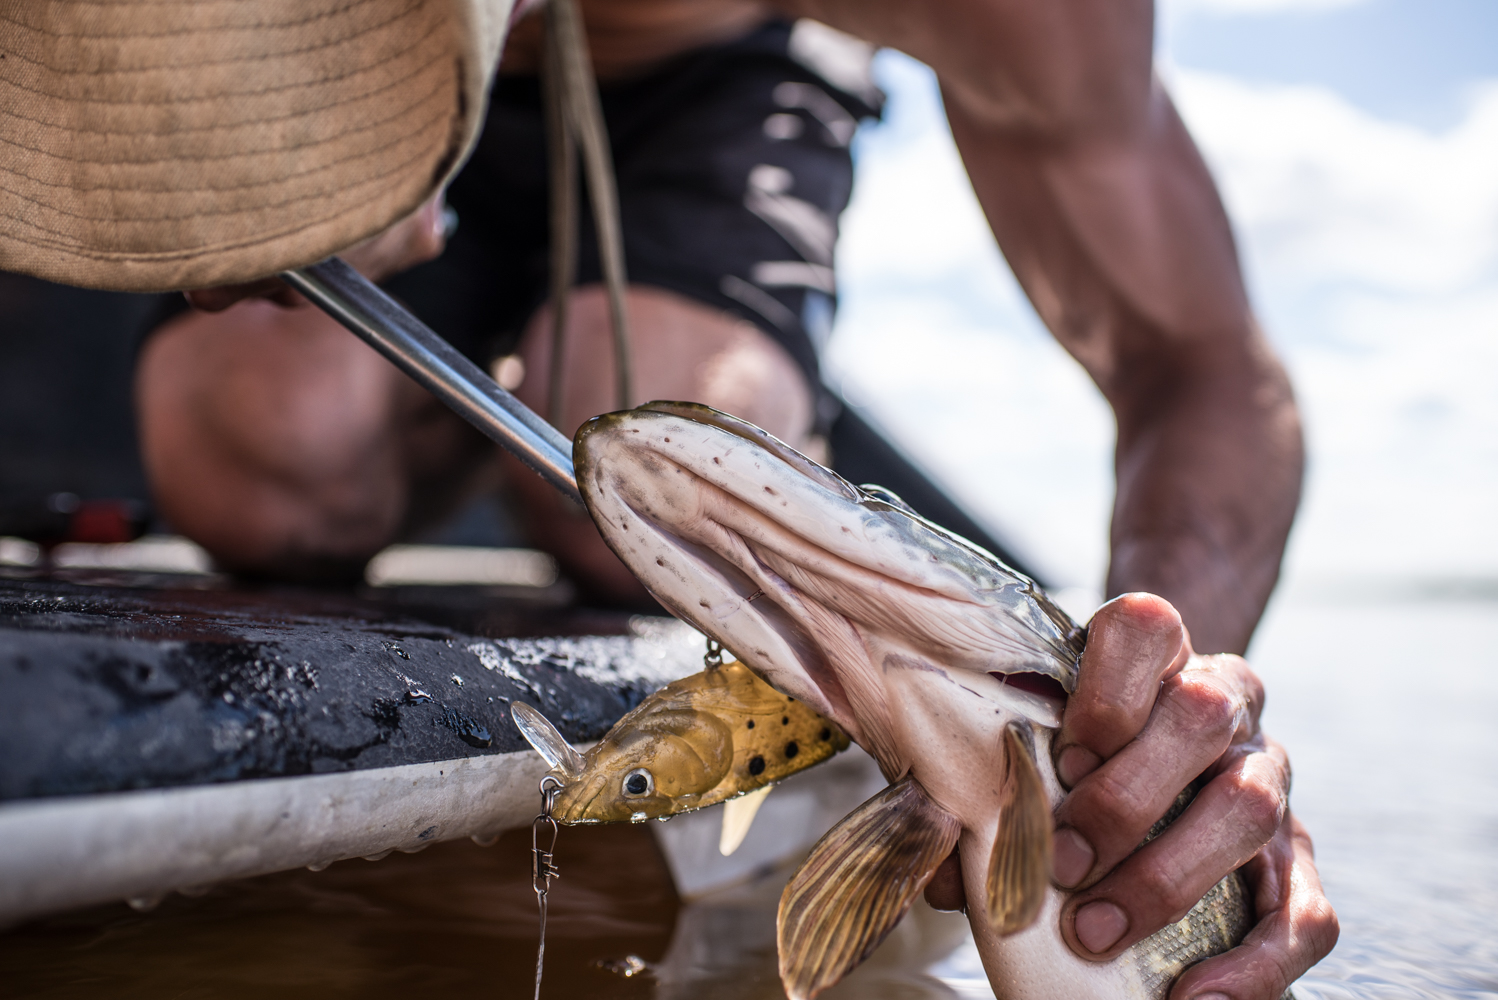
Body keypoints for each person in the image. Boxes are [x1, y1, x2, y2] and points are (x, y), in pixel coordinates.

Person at [131, 1, 1337, 995]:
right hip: (374, 48)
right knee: (261, 451)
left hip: (724, 84)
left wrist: (1172, 711)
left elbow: (1205, 367)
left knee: (661, 429)